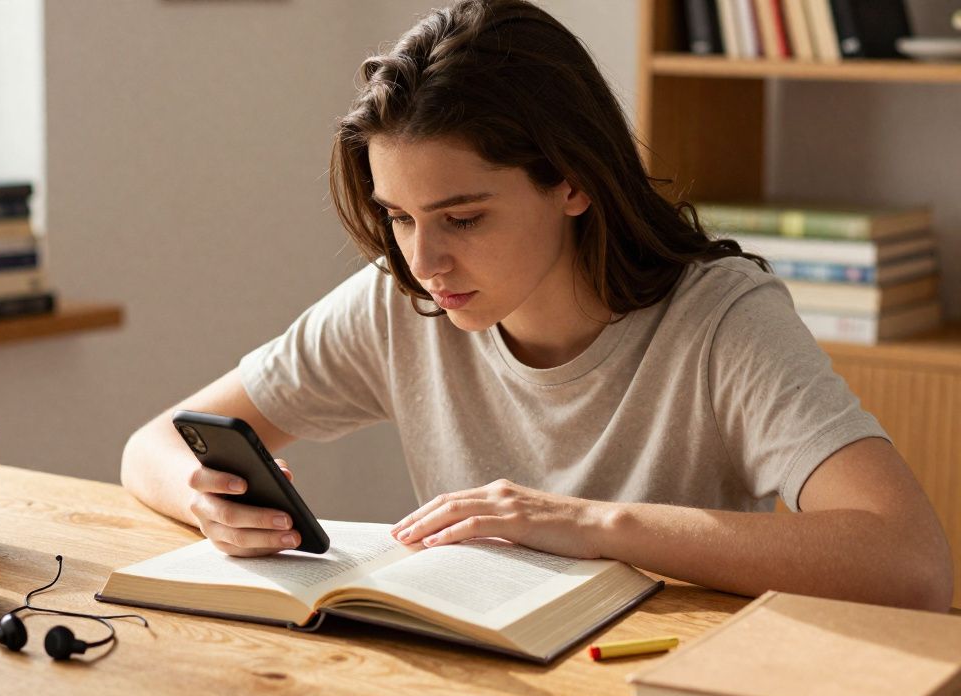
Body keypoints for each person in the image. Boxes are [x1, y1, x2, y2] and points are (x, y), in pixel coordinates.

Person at [120, 0, 953, 611]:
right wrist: (204, 499)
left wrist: (584, 522)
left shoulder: (722, 320)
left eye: (463, 217)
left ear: (574, 180)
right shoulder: (403, 302)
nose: (425, 260)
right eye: (398, 217)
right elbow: (154, 443)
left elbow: (912, 562)